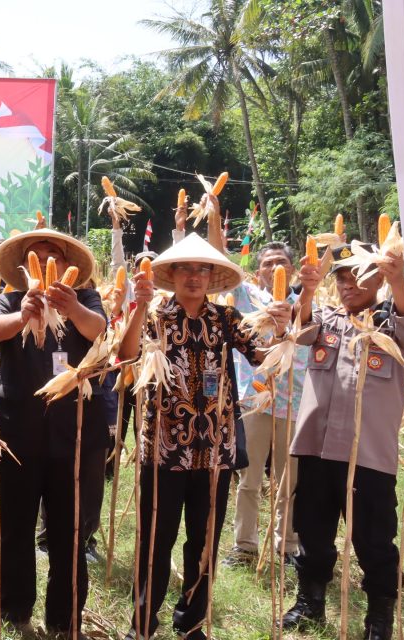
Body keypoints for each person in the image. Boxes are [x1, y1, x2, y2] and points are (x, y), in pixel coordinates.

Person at [117, 233, 290, 640]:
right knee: (155, 541)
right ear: (172, 274)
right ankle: (142, 624)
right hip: (163, 450)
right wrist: (138, 306)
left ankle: (191, 623)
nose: (194, 277)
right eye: (185, 269)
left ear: (211, 277)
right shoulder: (155, 315)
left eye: (202, 270)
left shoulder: (226, 319)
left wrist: (282, 330)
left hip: (215, 451)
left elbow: (263, 358)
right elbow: (126, 356)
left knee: (204, 542)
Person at [281, 242, 404, 640]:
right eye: (341, 279)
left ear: (377, 277)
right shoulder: (326, 319)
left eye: (357, 276)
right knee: (313, 529)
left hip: (368, 454)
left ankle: (379, 617)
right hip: (317, 449)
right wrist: (306, 289)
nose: (348, 285)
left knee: (374, 539)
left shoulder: (391, 324)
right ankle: (310, 603)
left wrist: (399, 279)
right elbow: (299, 331)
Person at [0, 228, 106, 638]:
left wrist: (72, 308)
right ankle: (15, 611)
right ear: (24, 267)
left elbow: (99, 330)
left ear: (68, 265)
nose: (46, 261)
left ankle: (64, 619)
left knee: (69, 531)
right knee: (16, 526)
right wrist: (24, 315)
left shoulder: (85, 298)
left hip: (73, 434)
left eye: (54, 255)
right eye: (36, 256)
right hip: (18, 433)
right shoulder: (10, 300)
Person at [226, 242, 307, 567]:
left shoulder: (306, 304)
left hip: (294, 402)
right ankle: (245, 546)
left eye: (282, 262)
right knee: (250, 479)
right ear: (258, 271)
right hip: (255, 400)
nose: (275, 268)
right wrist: (214, 219)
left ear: (293, 269)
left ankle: (287, 545)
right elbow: (221, 258)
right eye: (268, 263)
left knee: (290, 482)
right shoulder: (247, 298)